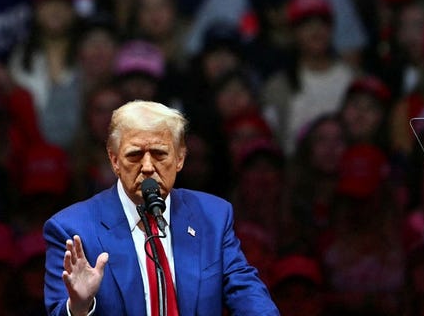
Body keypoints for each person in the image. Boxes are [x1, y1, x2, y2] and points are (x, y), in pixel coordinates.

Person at [43, 100, 278, 315]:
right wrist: (79, 307)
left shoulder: (212, 216)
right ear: (114, 160)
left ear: (180, 158)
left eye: (159, 154)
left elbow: (246, 291)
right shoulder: (71, 229)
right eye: (134, 155)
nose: (147, 166)